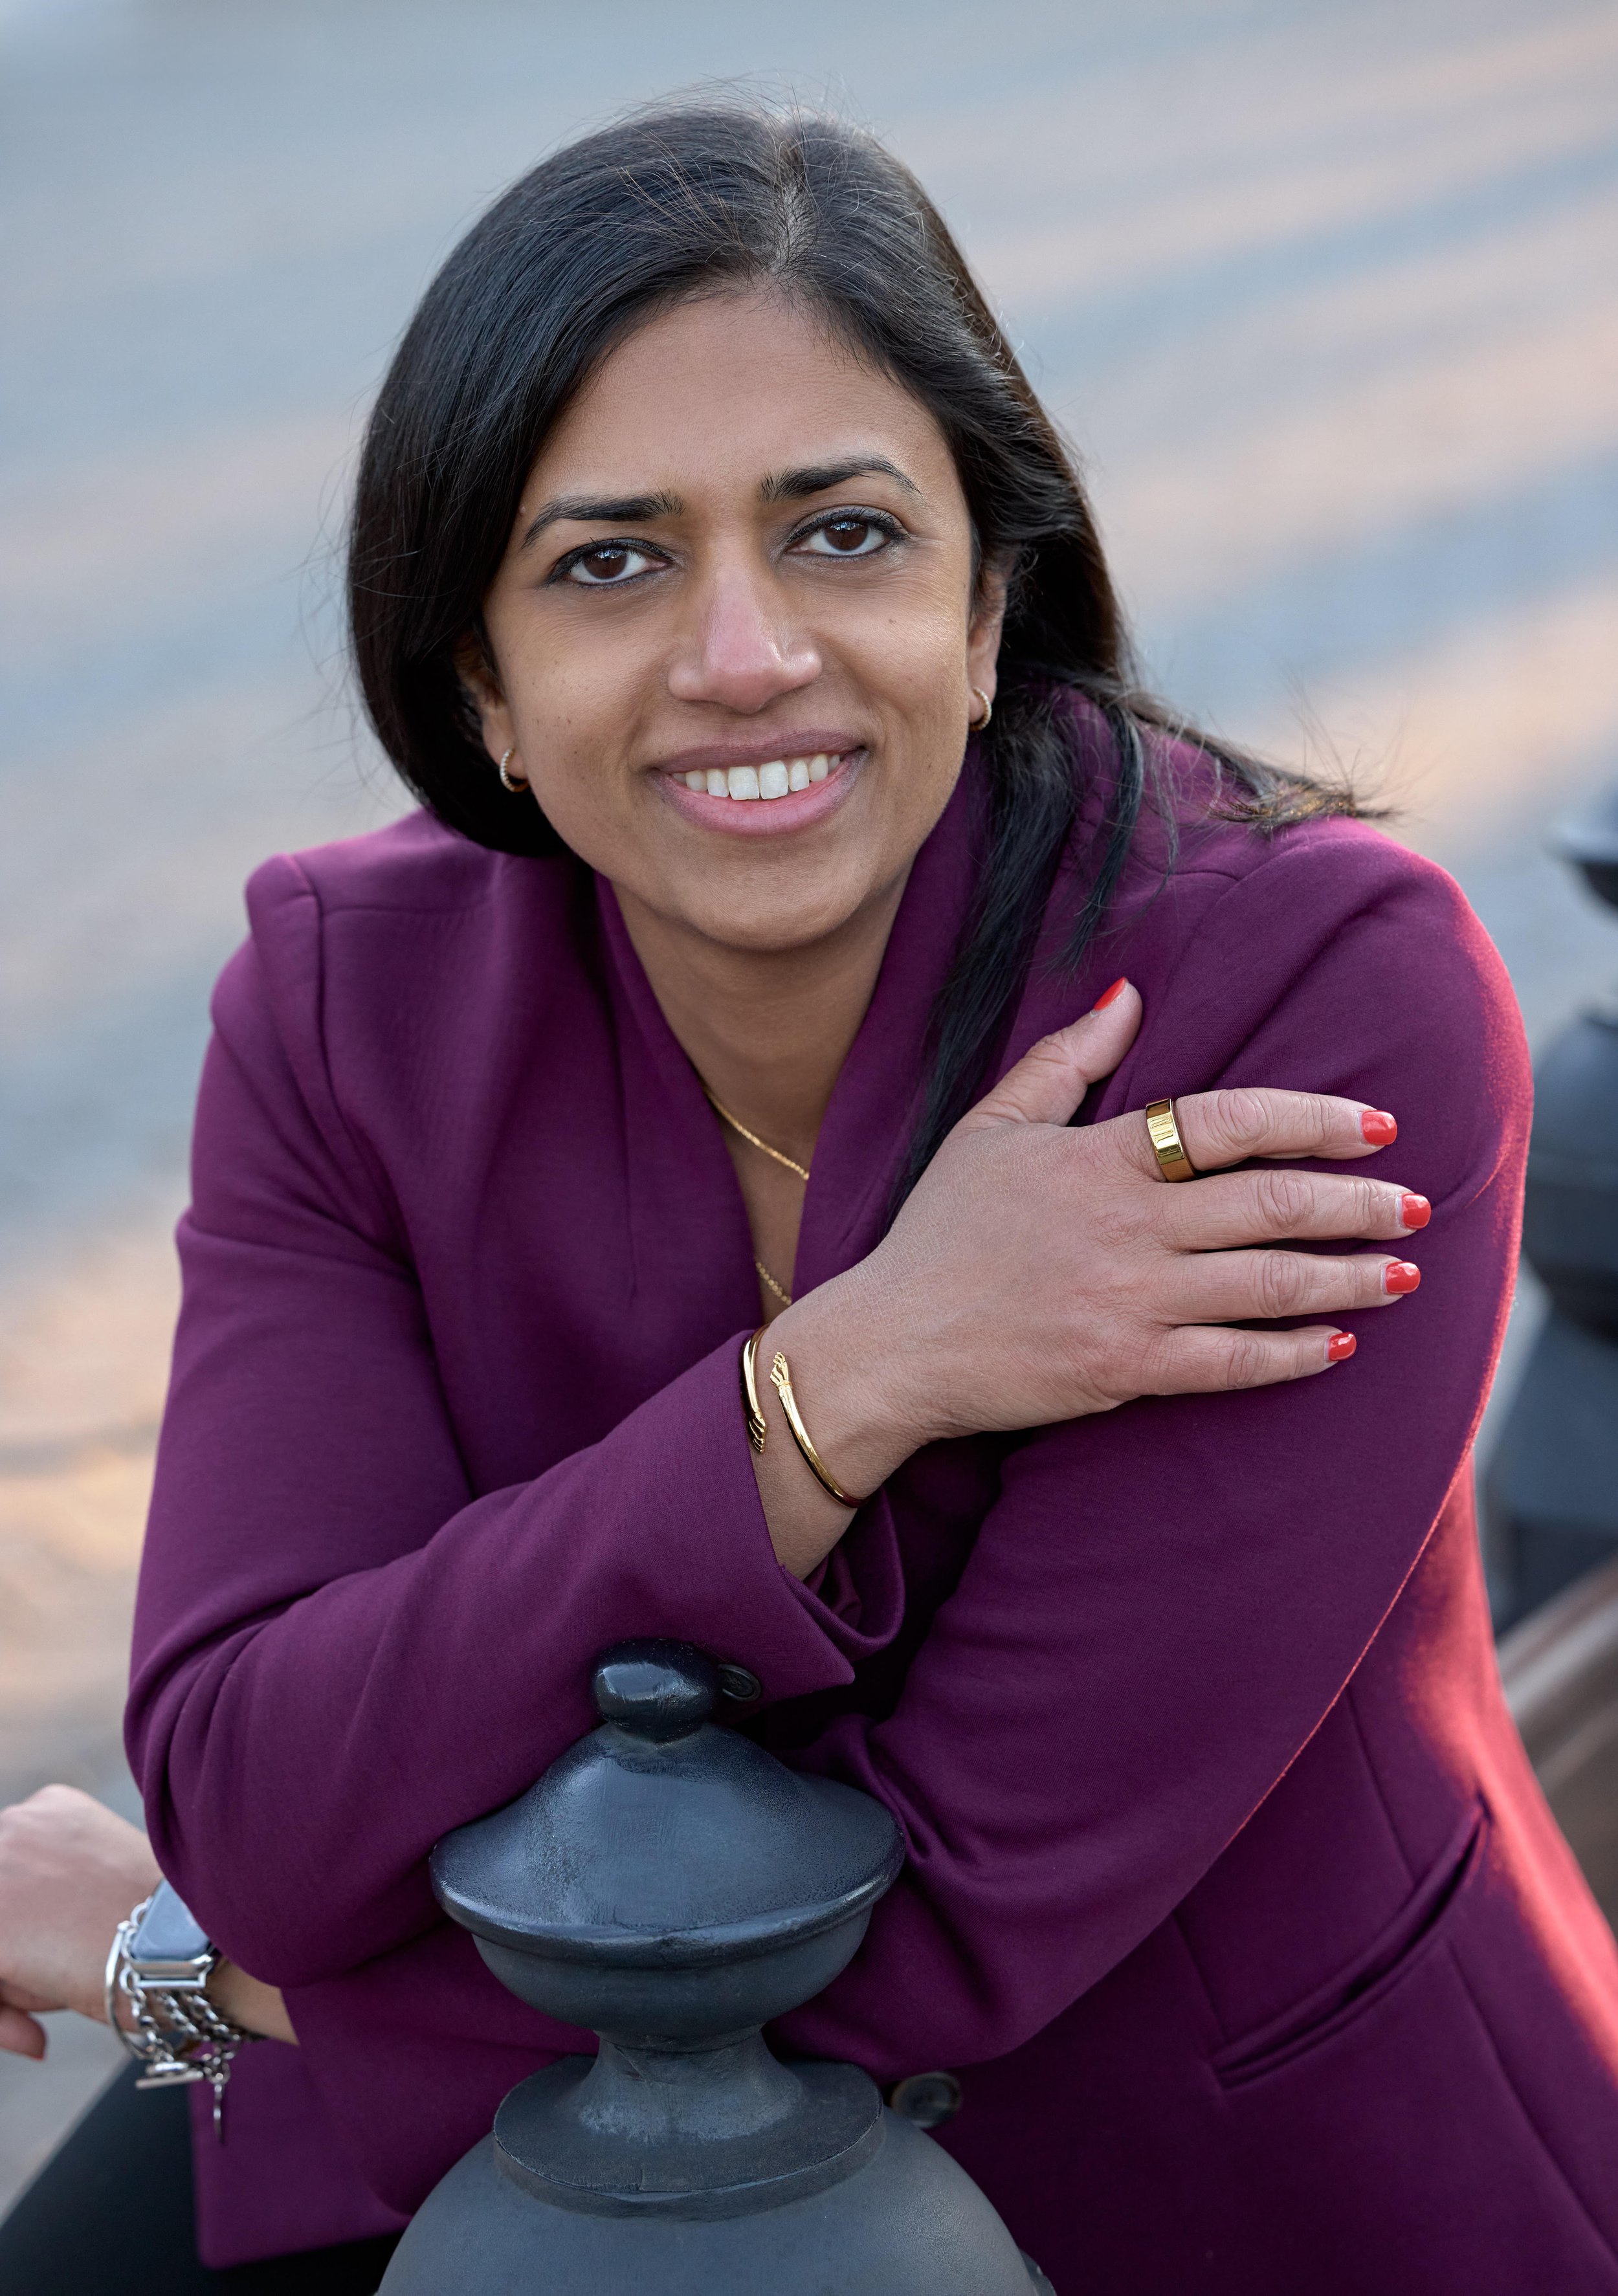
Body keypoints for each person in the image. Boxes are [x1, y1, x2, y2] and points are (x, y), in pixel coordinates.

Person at [3, 98, 1616, 2295]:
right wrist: (844, 1381)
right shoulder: (344, 1000)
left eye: (842, 534)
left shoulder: (1311, 1005)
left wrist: (175, 1968)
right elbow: (260, 1800)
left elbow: (947, 1931)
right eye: (608, 562)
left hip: (1203, 2159)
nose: (746, 654)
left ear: (989, 600)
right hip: (504, 2080)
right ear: (477, 680)